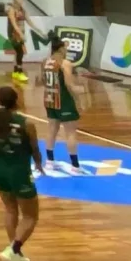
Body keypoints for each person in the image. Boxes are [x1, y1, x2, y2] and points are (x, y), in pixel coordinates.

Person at [0, 83, 42, 261]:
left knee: (10, 210)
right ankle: (13, 249)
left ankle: (15, 254)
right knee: (31, 216)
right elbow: (35, 148)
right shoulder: (27, 124)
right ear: (16, 100)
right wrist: (38, 164)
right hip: (19, 172)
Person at [40, 31, 87, 169]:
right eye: (66, 48)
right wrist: (80, 95)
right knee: (71, 132)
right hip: (63, 100)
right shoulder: (65, 63)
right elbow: (69, 85)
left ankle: (49, 161)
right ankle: (75, 166)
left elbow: (43, 80)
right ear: (61, 49)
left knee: (51, 130)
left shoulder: (45, 61)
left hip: (49, 99)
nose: (67, 51)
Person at [2, 0, 32, 85]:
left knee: (17, 53)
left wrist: (38, 30)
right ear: (14, 0)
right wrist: (21, 34)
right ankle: (19, 72)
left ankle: (15, 72)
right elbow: (14, 24)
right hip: (13, 33)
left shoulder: (23, 10)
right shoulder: (11, 10)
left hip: (20, 33)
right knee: (20, 52)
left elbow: (29, 21)